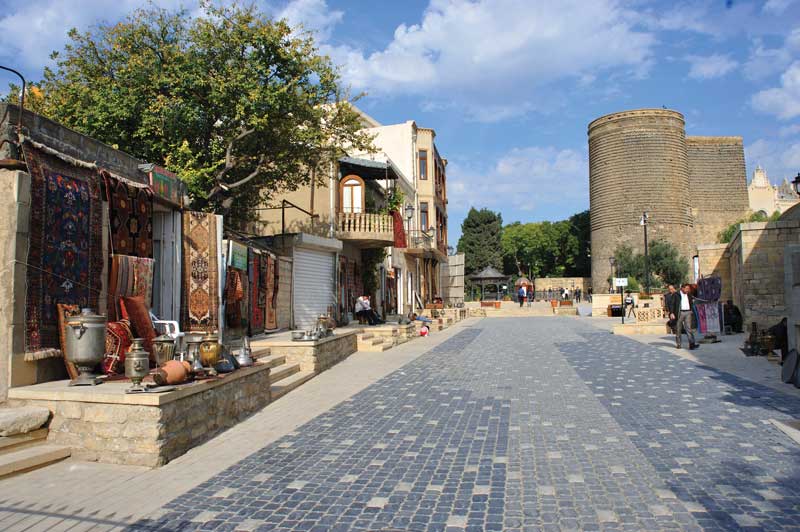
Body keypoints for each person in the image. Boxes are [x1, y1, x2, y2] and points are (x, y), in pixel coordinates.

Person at [669, 284, 697, 350]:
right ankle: (679, 344)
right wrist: (672, 313)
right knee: (678, 329)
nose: (688, 290)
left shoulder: (689, 294)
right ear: (682, 288)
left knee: (689, 329)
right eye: (686, 288)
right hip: (679, 313)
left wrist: (691, 310)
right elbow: (672, 304)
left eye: (688, 289)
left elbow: (691, 302)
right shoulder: (676, 294)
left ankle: (692, 344)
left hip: (688, 313)